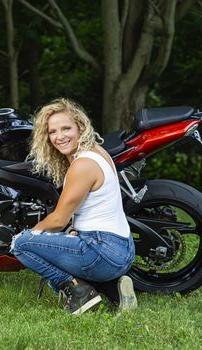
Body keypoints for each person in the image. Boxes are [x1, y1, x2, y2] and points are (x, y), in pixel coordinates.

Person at [10, 98, 137, 315]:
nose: (60, 137)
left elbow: (59, 220)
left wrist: (33, 236)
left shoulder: (83, 165)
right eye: (53, 132)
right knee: (56, 258)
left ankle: (81, 293)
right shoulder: (97, 151)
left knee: (21, 245)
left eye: (66, 128)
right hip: (122, 248)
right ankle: (114, 290)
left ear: (80, 127)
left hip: (103, 251)